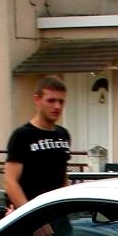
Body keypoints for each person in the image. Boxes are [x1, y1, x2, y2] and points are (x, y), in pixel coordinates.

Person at [5, 76, 72, 209]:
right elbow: (10, 182)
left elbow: (62, 177)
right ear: (37, 100)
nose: (57, 106)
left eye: (61, 101)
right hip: (33, 213)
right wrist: (29, 214)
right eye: (51, 100)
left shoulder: (63, 134)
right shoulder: (22, 135)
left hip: (57, 213)